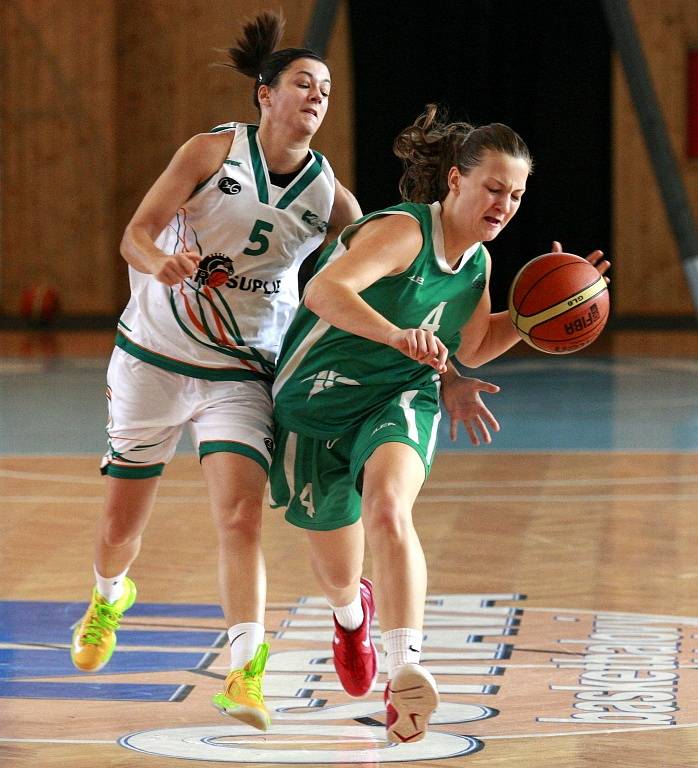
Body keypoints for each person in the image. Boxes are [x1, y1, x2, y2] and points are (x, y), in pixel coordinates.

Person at [270, 104, 610, 743]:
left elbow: (473, 345)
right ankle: (351, 617)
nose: (504, 204)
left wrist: (553, 311)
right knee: (340, 574)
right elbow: (323, 293)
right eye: (492, 188)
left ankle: (406, 673)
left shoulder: (477, 263)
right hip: (312, 408)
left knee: (389, 509)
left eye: (515, 194)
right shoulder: (402, 234)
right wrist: (399, 335)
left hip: (398, 396)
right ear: (455, 180)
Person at [70, 10, 361, 732]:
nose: (317, 95)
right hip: (153, 361)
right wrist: (159, 260)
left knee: (238, 517)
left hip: (242, 371)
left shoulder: (329, 196)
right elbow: (134, 234)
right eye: (302, 82)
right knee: (119, 526)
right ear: (265, 95)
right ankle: (110, 595)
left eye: (325, 87)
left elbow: (377, 260)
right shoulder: (211, 151)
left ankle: (243, 673)